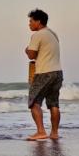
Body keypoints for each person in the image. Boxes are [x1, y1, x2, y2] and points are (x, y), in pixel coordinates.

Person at [25, 9, 62, 141]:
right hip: (57, 72)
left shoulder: (38, 35)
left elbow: (32, 55)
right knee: (53, 104)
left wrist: (26, 50)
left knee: (34, 102)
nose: (29, 24)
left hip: (44, 72)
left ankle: (41, 131)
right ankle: (54, 133)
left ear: (38, 21)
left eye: (31, 21)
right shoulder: (53, 34)